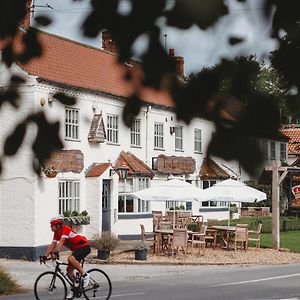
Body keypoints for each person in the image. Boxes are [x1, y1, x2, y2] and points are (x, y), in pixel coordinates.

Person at [41, 216, 91, 299]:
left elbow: (61, 241)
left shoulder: (66, 229)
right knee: (69, 271)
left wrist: (56, 252)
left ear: (57, 225)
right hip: (76, 250)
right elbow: (53, 245)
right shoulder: (56, 233)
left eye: (51, 225)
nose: (50, 227)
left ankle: (85, 275)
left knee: (70, 258)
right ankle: (75, 289)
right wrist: (45, 256)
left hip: (84, 246)